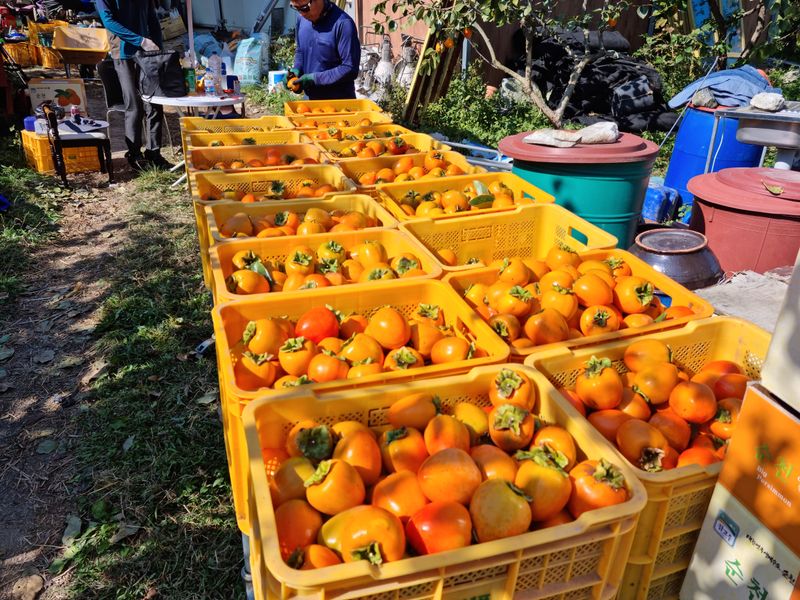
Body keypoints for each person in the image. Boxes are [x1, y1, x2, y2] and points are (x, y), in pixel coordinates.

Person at [96, 0, 173, 170]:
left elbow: (152, 18)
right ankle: (134, 154)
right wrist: (141, 41)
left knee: (154, 103)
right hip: (123, 54)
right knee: (134, 105)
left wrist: (158, 49)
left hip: (147, 55)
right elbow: (108, 21)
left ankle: (154, 153)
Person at [286, 0, 361, 100]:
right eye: (296, 8)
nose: (302, 13)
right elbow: (301, 51)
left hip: (339, 105)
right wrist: (296, 71)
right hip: (310, 103)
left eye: (305, 8)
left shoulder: (343, 24)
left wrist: (315, 79)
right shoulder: (302, 20)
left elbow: (350, 68)